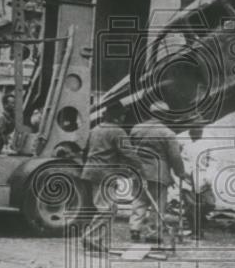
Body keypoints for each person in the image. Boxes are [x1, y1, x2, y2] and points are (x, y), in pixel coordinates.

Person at [127, 101, 188, 244]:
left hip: (139, 171)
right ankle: (153, 233)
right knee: (158, 205)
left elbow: (130, 151)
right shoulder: (168, 133)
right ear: (165, 115)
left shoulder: (136, 129)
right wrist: (180, 172)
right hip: (159, 173)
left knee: (139, 201)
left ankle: (135, 229)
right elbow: (175, 156)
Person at [81, 102, 132, 213]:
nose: (124, 117)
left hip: (91, 172)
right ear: (117, 117)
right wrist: (140, 168)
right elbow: (128, 154)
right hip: (104, 174)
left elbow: (85, 151)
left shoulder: (95, 129)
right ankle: (91, 231)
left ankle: (98, 230)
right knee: (105, 210)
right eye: (122, 115)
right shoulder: (118, 131)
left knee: (110, 208)